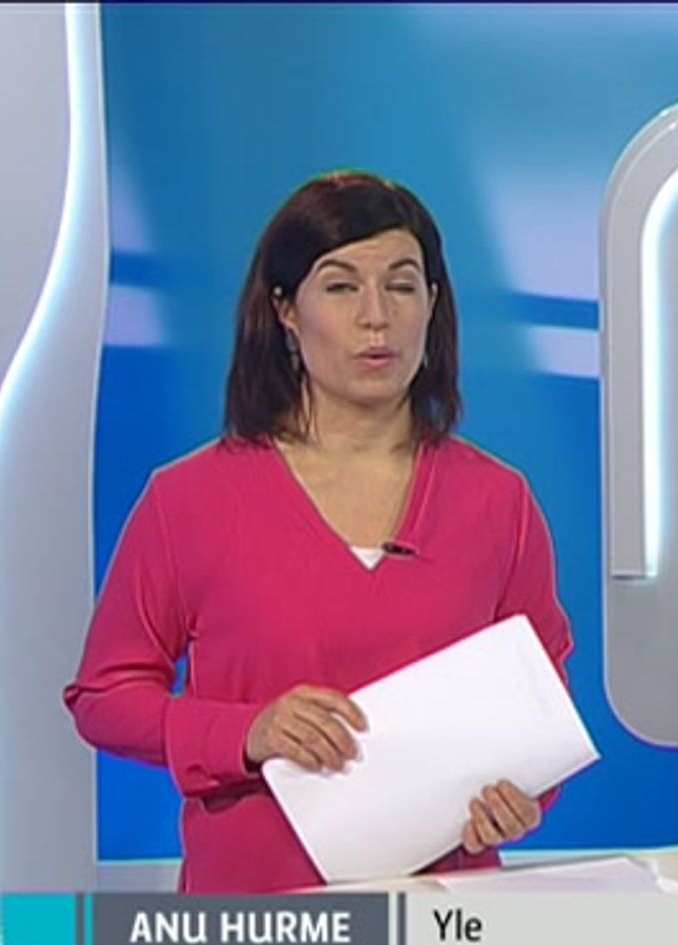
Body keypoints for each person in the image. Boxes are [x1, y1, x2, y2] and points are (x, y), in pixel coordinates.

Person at [64, 171, 571, 893]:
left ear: (433, 306)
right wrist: (247, 732)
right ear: (286, 313)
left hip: (447, 921)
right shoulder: (189, 501)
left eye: (401, 286)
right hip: (258, 923)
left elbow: (543, 706)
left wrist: (523, 800)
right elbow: (104, 698)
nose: (376, 317)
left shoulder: (498, 502)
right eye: (340, 287)